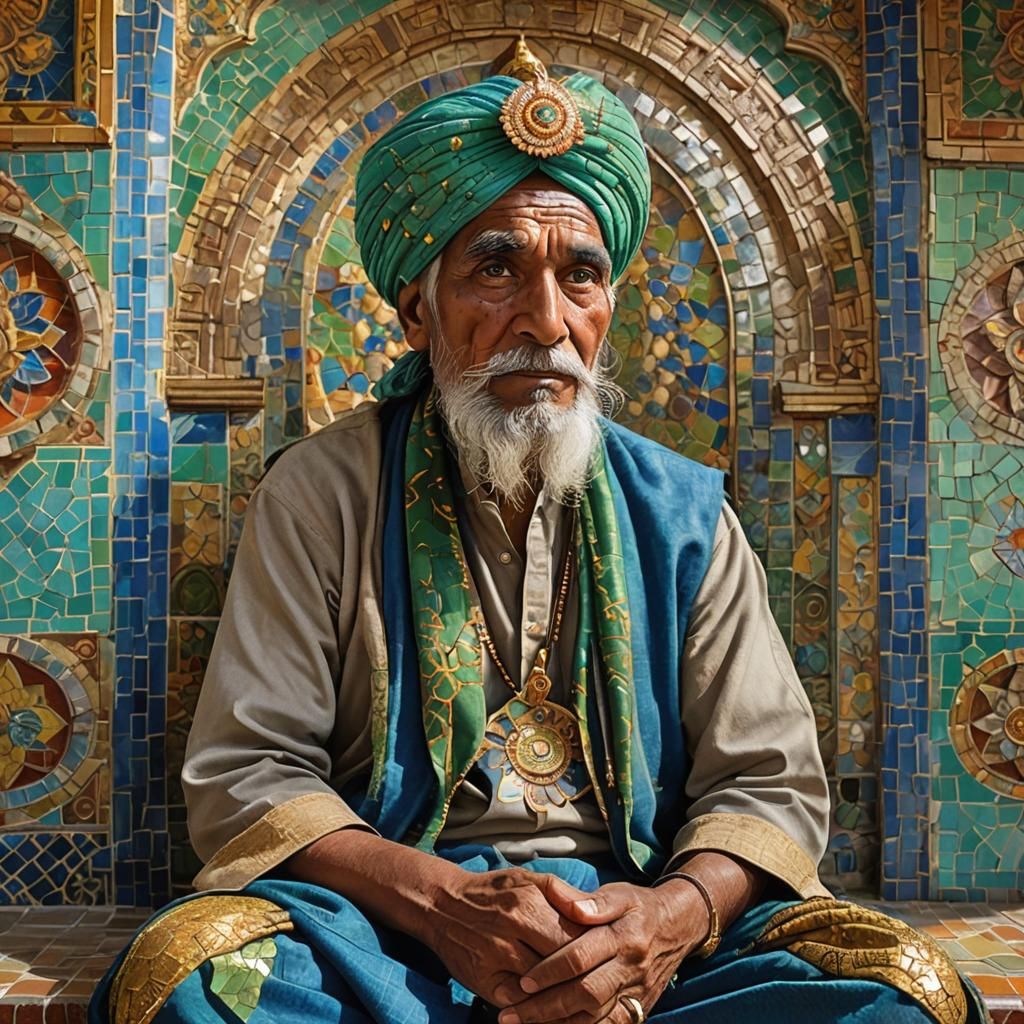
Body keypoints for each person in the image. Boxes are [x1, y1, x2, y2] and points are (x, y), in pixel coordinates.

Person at [92, 41, 982, 1024]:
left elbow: (767, 783)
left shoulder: (686, 513)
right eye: (497, 268)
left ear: (610, 307)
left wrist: (667, 919)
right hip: (390, 938)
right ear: (415, 311)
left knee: (901, 995)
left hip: (643, 944)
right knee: (189, 983)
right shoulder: (323, 494)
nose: (545, 320)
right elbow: (249, 773)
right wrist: (444, 905)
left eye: (581, 276)